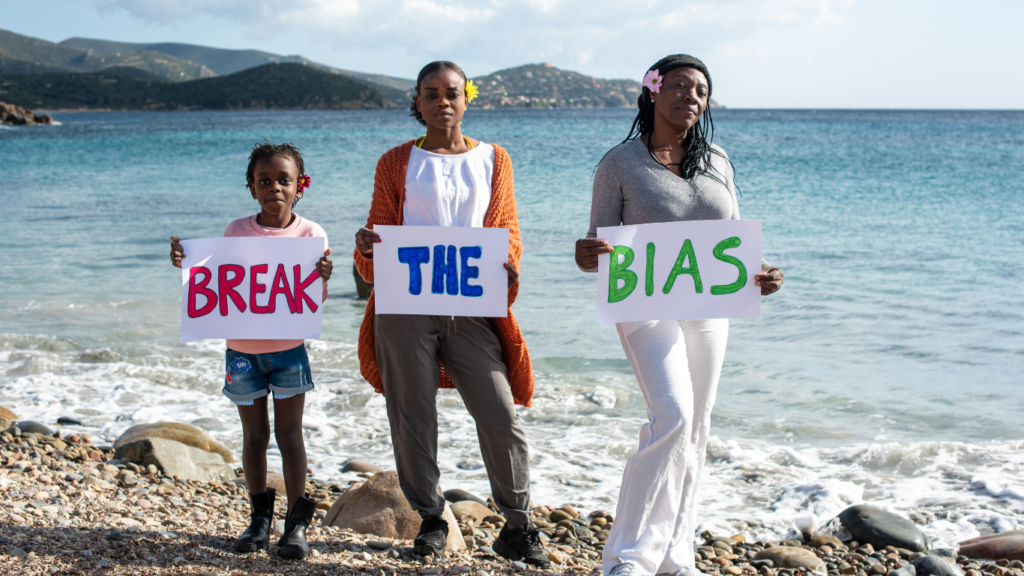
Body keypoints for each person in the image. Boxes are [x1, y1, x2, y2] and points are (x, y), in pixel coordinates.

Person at [574, 55, 784, 576]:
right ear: (652, 90)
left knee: (698, 425)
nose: (692, 97)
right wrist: (586, 255)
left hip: (710, 306)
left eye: (702, 91)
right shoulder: (619, 162)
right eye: (681, 86)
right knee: (673, 414)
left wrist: (763, 273)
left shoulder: (718, 160)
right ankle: (627, 555)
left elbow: (731, 240)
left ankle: (675, 554)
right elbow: (595, 243)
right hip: (643, 302)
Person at [353, 61, 549, 567]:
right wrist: (367, 248)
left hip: (471, 305)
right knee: (412, 412)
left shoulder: (494, 159)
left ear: (467, 100)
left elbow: (508, 230)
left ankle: (517, 525)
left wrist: (507, 266)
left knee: (500, 412)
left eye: (452, 93)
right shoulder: (396, 161)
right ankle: (432, 518)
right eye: (432, 94)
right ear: (417, 102)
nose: (443, 102)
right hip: (404, 306)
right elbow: (377, 234)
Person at [170, 142, 333, 560]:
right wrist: (187, 264)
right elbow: (221, 281)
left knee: (289, 435)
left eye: (284, 180)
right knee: (254, 435)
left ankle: (295, 525)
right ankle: (259, 519)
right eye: (264, 180)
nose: (274, 187)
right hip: (241, 351)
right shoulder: (235, 230)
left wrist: (323, 277)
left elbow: (314, 299)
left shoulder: (311, 234)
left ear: (300, 186)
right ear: (251, 187)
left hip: (288, 350)